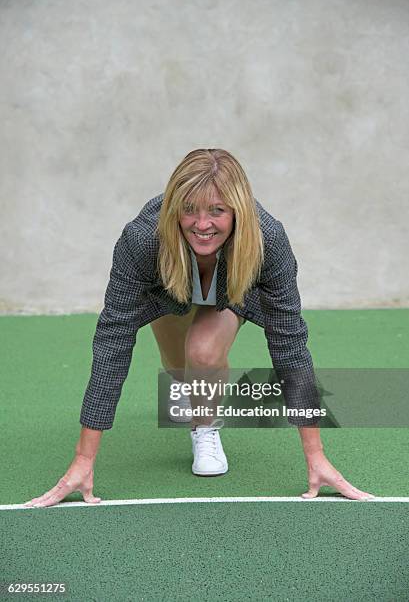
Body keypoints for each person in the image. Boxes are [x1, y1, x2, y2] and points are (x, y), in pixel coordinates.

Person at [24, 149, 374, 508]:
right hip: (168, 290)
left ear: (237, 210)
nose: (202, 223)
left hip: (231, 290)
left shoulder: (268, 241)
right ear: (175, 207)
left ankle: (204, 427)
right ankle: (187, 388)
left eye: (217, 211)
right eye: (189, 209)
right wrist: (84, 460)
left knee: (203, 354)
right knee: (181, 370)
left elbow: (290, 344)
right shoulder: (142, 240)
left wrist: (315, 455)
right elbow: (112, 341)